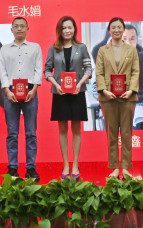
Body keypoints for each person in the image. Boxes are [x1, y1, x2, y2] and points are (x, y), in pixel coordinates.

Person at [44, 16, 93, 180]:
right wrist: (56, 84)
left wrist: (80, 83)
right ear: (59, 30)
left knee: (77, 129)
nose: (67, 31)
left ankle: (75, 164)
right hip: (60, 94)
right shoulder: (53, 49)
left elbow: (88, 69)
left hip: (77, 93)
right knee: (62, 130)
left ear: (74, 29)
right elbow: (47, 71)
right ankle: (66, 164)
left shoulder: (81, 47)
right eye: (64, 28)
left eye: (70, 27)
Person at [0, 17, 43, 180]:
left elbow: (38, 69)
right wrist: (6, 91)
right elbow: (2, 71)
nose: (19, 29)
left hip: (30, 91)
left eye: (22, 26)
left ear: (27, 29)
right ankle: (13, 167)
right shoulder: (5, 49)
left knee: (31, 132)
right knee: (12, 133)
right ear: (11, 29)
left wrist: (35, 89)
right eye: (16, 26)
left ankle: (31, 167)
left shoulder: (35, 47)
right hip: (11, 92)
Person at [95, 17, 140, 179]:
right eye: (113, 27)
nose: (116, 30)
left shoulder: (131, 50)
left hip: (128, 97)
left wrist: (132, 90)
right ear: (109, 30)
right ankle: (114, 168)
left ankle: (126, 168)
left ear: (123, 30)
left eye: (119, 27)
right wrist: (104, 90)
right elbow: (99, 72)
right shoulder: (102, 50)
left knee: (127, 134)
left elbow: (135, 72)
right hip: (108, 97)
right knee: (112, 134)